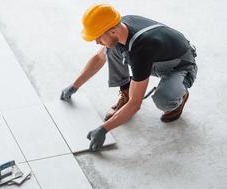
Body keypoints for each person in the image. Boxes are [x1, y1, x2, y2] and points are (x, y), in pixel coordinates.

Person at [60, 4, 198, 151]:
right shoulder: (120, 26)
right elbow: (99, 58)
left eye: (98, 37)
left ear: (112, 31)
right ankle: (125, 90)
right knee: (110, 50)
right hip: (156, 57)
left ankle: (180, 96)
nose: (96, 42)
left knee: (163, 99)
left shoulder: (141, 50)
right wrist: (74, 85)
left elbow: (135, 104)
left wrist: (103, 129)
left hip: (179, 66)